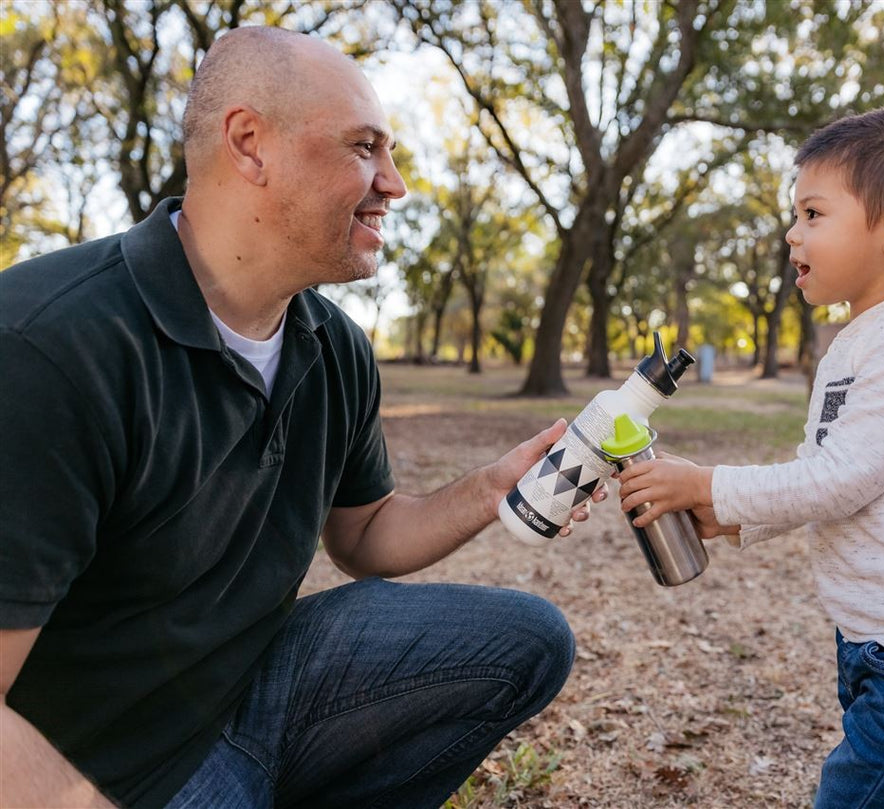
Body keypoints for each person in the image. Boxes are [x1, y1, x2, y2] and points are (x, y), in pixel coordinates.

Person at [0, 27, 599, 809]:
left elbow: (363, 534)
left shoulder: (334, 344)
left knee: (527, 640)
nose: (395, 183)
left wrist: (494, 486)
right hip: (118, 770)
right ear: (250, 144)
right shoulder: (48, 345)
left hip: (257, 684)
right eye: (364, 148)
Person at [617, 105, 884, 808]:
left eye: (813, 213)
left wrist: (708, 483)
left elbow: (841, 482)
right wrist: (730, 517)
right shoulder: (852, 344)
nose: (792, 232)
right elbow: (824, 467)